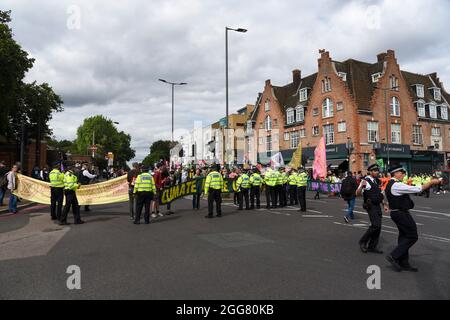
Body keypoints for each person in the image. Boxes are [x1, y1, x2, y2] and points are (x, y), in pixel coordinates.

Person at [385, 165, 441, 272]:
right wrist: (431, 182)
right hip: (401, 214)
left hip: (397, 213)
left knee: (403, 237)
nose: (403, 174)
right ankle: (394, 255)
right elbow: (418, 189)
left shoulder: (391, 184)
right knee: (412, 236)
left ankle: (403, 262)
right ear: (396, 174)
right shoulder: (397, 185)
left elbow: (384, 194)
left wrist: (386, 204)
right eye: (402, 172)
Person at [356, 164, 387, 253]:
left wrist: (384, 204)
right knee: (375, 225)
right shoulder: (366, 181)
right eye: (374, 171)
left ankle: (372, 246)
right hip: (370, 205)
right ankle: (363, 241)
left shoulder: (378, 181)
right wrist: (361, 186)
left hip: (377, 205)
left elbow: (380, 194)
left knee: (379, 226)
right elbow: (357, 193)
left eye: (377, 170)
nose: (377, 172)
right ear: (370, 172)